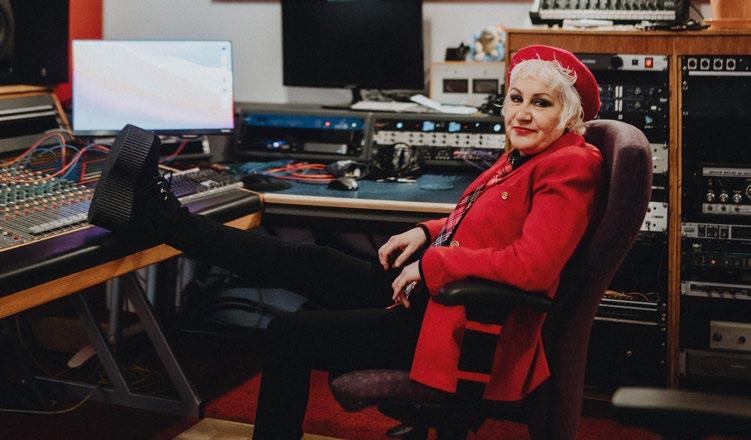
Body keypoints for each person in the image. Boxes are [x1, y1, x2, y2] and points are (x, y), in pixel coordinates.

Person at [87, 44, 603, 439]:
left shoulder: (570, 166)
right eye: (516, 99)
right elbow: (483, 220)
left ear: (570, 116)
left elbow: (533, 267)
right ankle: (161, 218)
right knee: (307, 259)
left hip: (461, 327)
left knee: (289, 332)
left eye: (541, 103)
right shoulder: (526, 157)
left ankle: (159, 219)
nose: (521, 113)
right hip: (437, 300)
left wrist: (433, 265)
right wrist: (424, 232)